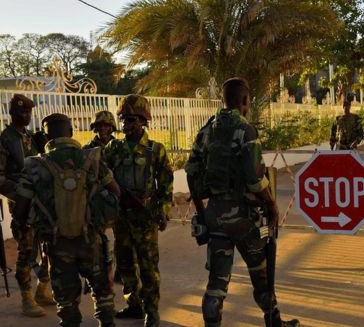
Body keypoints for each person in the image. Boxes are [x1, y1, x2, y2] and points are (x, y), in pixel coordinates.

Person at [186, 77, 300, 327]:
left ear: (223, 100)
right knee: (261, 273)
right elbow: (255, 178)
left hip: (215, 215)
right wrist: (271, 204)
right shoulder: (245, 129)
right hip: (245, 218)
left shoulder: (206, 130)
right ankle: (274, 322)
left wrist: (203, 211)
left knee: (217, 281)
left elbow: (191, 174)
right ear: (245, 100)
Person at [12, 113, 120, 327]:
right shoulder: (92, 158)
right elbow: (115, 191)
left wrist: (24, 224)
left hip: (57, 243)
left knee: (66, 303)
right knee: (103, 295)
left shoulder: (34, 165)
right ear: (71, 133)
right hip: (91, 241)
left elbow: (21, 206)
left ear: (45, 136)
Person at [103, 94, 173, 327]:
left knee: (148, 267)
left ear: (144, 121)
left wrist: (162, 210)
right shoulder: (113, 148)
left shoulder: (155, 150)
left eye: (132, 119)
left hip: (145, 219)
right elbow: (102, 177)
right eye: (123, 119)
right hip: (122, 217)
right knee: (124, 265)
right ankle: (134, 304)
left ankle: (151, 312)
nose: (126, 124)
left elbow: (165, 185)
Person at [0, 94, 54, 317]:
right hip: (23, 203)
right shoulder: (6, 138)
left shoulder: (31, 137)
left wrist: (47, 150)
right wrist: (20, 194)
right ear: (12, 114)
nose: (27, 115)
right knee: (26, 249)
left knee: (49, 245)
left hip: (41, 202)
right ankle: (26, 297)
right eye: (22, 112)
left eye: (29, 112)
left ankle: (43, 289)